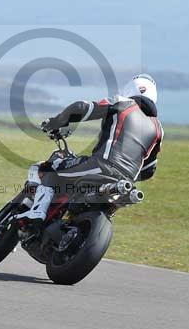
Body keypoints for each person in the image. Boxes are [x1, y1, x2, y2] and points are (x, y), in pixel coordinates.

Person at [15, 73, 163, 222]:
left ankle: (37, 212)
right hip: (125, 182)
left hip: (101, 166)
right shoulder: (158, 129)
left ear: (130, 89)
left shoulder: (122, 103)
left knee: (50, 170)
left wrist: (56, 122)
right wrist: (124, 173)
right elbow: (149, 169)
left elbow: (82, 108)